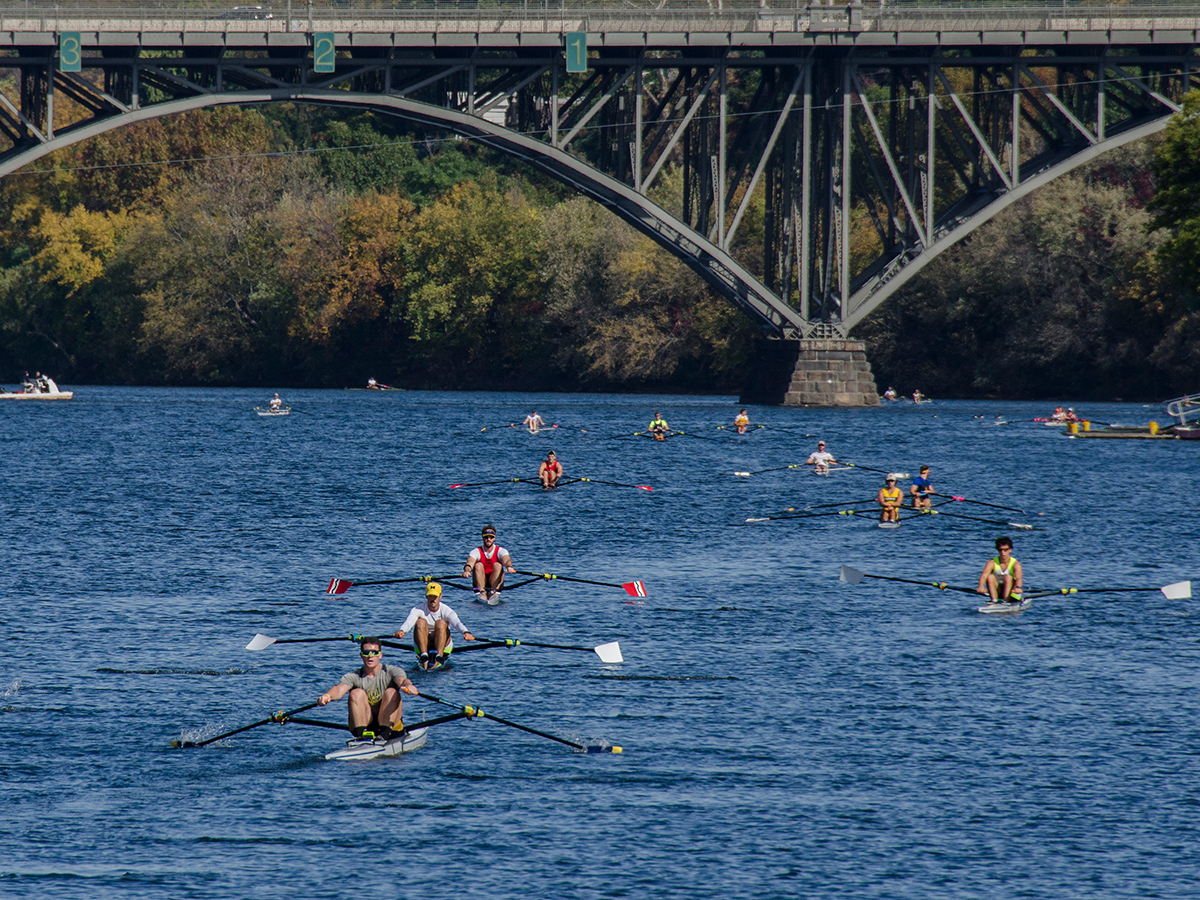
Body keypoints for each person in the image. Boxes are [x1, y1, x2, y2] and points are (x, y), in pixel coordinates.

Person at [317, 636, 418, 738]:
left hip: (390, 725)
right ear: (361, 655)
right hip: (366, 723)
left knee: (392, 692)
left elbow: (402, 681)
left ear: (380, 655)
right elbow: (339, 689)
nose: (370, 656)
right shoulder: (354, 676)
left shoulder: (392, 671)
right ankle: (362, 736)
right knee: (356, 693)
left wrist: (408, 686)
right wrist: (327, 696)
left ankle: (385, 734)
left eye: (374, 653)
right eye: (366, 653)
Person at [394, 583, 476, 670]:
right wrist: (402, 630)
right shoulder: (417, 609)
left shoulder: (447, 610)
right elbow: (409, 621)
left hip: (443, 643)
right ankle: (424, 656)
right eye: (430, 596)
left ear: (440, 596)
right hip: (424, 641)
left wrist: (465, 632)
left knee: (441, 623)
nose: (432, 599)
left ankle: (439, 657)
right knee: (420, 622)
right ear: (426, 597)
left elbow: (457, 623)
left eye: (435, 596)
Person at [464, 525, 515, 603]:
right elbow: (470, 562)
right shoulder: (476, 551)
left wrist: (509, 567)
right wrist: (467, 570)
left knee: (498, 565)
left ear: (494, 538)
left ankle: (493, 592)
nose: (488, 539)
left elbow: (507, 559)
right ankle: (482, 592)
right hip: (480, 580)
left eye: (491, 537)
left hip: (495, 581)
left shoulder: (501, 551)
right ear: (482, 538)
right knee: (478, 565)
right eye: (486, 537)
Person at [978, 536, 1024, 603]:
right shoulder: (991, 563)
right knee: (990, 577)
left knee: (1008, 577)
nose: (1003, 552)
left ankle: (1006, 601)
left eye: (1005, 550)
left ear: (1010, 550)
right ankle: (994, 601)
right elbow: (984, 575)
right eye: (1000, 550)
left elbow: (1018, 578)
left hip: (1011, 593)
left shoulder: (1015, 564)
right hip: (998, 591)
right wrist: (980, 587)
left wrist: (1018, 587)